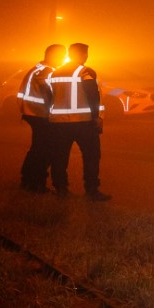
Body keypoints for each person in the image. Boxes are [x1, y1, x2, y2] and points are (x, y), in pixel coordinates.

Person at [48, 42, 110, 200]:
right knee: (91, 156)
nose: (86, 56)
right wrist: (97, 117)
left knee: (60, 157)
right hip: (83, 122)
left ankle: (61, 188)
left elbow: (50, 96)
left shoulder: (55, 73)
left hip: (59, 122)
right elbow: (92, 96)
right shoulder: (84, 72)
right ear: (83, 55)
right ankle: (92, 190)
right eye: (86, 53)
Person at [16, 43, 64, 192]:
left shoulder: (36, 68)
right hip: (41, 115)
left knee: (37, 148)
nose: (62, 59)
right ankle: (36, 183)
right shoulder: (47, 72)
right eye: (61, 56)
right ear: (53, 56)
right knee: (44, 149)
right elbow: (51, 92)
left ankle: (28, 180)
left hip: (32, 113)